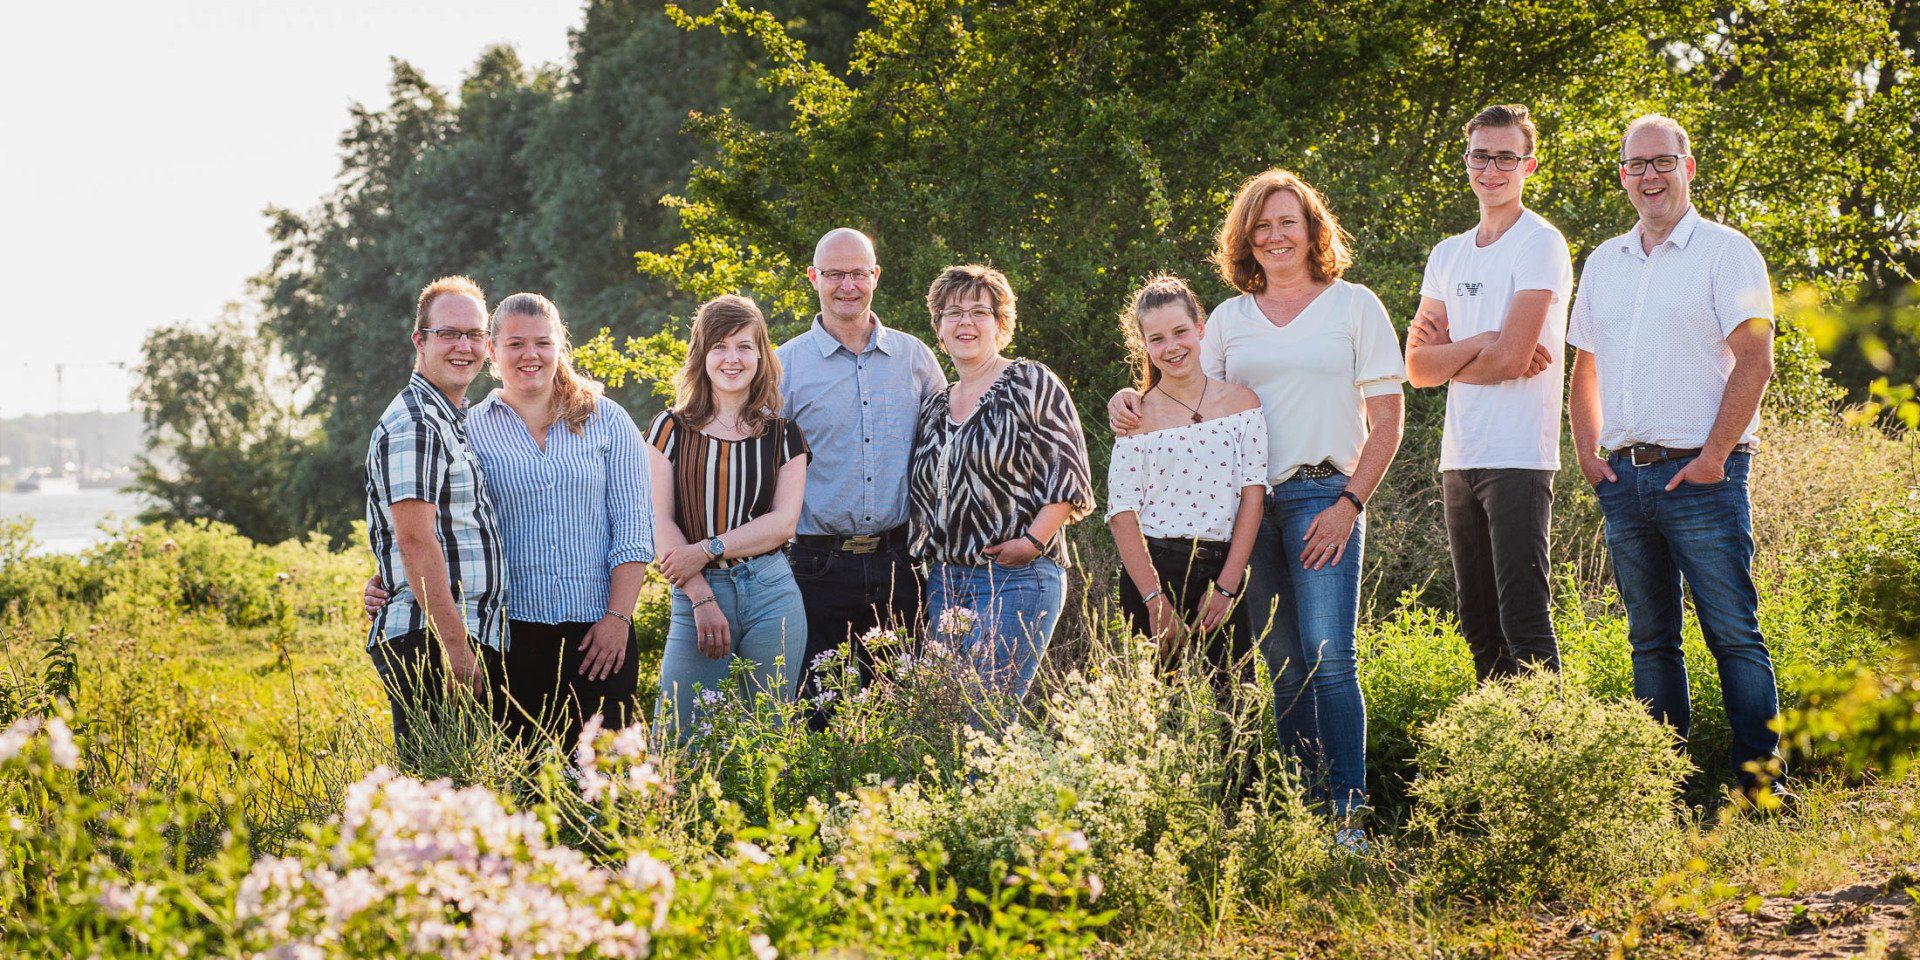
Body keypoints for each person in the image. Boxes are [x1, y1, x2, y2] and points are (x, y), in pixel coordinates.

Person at [1110, 170, 1405, 839]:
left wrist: (1351, 502)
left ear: (1312, 231)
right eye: (1261, 226)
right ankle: (1302, 813)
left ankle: (1348, 815)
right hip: (1247, 511)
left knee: (1330, 655)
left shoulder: (1354, 306)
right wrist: (1126, 400)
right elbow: (1185, 392)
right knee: (1282, 663)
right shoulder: (1229, 320)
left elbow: (1388, 422)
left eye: (1287, 223)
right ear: (1245, 239)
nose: (1274, 236)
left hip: (1327, 493)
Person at [1568, 114, 1786, 800]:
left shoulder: (1726, 252)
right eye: (1637, 165)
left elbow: (1757, 359)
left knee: (1732, 633)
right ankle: (1665, 788)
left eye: (1664, 162)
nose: (1650, 176)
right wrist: (1587, 452)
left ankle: (1761, 784)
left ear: (1688, 169)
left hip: (1703, 475)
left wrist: (1717, 456)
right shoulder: (1604, 261)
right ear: (1623, 176)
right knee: (1650, 641)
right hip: (1624, 478)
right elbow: (1584, 366)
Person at [363, 293, 655, 751]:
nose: (530, 355)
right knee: (528, 789)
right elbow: (436, 522)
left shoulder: (608, 421)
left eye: (543, 342)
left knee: (609, 785)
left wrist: (618, 617)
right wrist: (392, 577)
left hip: (600, 634)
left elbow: (634, 530)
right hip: (510, 637)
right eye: (515, 343)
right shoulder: (467, 427)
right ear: (494, 352)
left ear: (561, 347)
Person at [1404, 104, 1574, 682]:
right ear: (1467, 161)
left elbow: (1509, 358)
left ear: (1529, 165)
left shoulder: (1541, 243)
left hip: (1520, 458)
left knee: (1523, 621)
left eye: (1507, 157)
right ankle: (1495, 761)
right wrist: (1484, 343)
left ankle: (1549, 757)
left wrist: (1466, 356)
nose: (1492, 169)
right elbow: (1418, 368)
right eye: (1482, 155)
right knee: (1477, 622)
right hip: (1461, 457)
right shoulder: (1447, 253)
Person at [777, 228, 945, 728]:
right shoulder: (784, 366)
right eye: (834, 274)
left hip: (902, 564)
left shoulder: (915, 358)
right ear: (814, 279)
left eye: (857, 273)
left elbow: (958, 431)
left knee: (904, 716)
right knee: (819, 717)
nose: (846, 285)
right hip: (815, 567)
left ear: (875, 276)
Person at [910, 264, 1095, 701]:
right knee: (942, 721)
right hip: (945, 583)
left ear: (1001, 324)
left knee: (984, 714)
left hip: (1018, 575)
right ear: (939, 328)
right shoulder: (934, 406)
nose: (966, 322)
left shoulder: (1030, 381)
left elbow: (1069, 475)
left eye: (980, 311)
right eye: (953, 313)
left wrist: (1031, 542)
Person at [648, 294, 810, 738]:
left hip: (772, 592)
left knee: (768, 739)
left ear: (761, 355)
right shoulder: (670, 428)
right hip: (697, 595)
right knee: (680, 740)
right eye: (719, 346)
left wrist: (707, 549)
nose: (731, 358)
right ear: (702, 356)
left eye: (744, 346)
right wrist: (701, 597)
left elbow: (783, 524)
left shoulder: (785, 435)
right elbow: (659, 520)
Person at [363, 275, 510, 749]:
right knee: (443, 799)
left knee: (465, 799)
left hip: (453, 633)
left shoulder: (450, 416)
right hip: (435, 641)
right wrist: (457, 652)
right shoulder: (418, 423)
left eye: (474, 335)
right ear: (420, 341)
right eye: (448, 334)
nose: (463, 346)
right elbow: (415, 541)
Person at [1106, 275, 1266, 693]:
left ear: (1201, 328)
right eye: (1157, 338)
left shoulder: (1242, 404)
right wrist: (1154, 600)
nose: (1172, 346)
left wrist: (1228, 587)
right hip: (1155, 570)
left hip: (1223, 569)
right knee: (1158, 712)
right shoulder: (1134, 418)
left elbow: (1253, 500)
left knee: (1234, 706)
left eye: (1180, 331)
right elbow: (1122, 516)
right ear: (1144, 345)